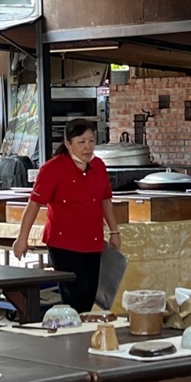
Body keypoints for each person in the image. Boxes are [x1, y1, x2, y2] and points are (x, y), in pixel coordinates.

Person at [11, 117, 122, 311]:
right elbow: (34, 204)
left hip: (92, 240)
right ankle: (71, 328)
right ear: (68, 144)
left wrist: (114, 231)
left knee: (90, 294)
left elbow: (105, 200)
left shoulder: (98, 166)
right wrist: (22, 238)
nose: (87, 147)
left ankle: (83, 328)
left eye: (91, 141)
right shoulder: (52, 169)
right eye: (81, 142)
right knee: (75, 295)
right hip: (64, 243)